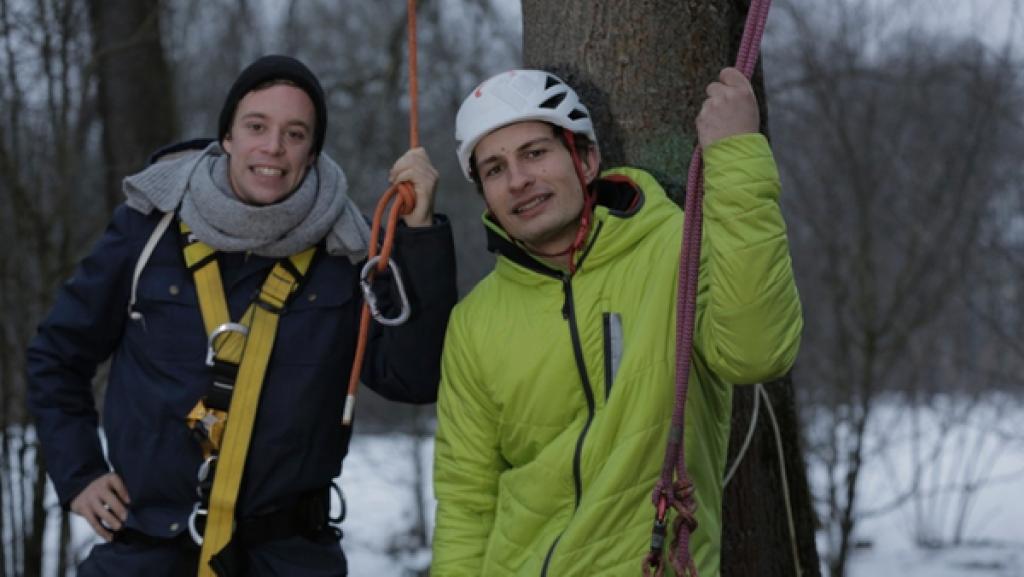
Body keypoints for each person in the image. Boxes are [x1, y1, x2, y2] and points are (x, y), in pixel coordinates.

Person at [26, 54, 456, 576]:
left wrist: (420, 233)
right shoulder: (149, 228)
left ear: (313, 150)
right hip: (146, 549)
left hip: (289, 554)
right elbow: (56, 357)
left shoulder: (348, 253)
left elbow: (412, 378)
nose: (273, 147)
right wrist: (79, 474)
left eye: (295, 133)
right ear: (227, 136)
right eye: (257, 127)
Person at [429, 68, 803, 576]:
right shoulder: (475, 321)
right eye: (494, 169)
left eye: (535, 153)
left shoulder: (677, 251)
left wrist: (738, 156)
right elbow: (465, 503)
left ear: (585, 159)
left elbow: (758, 352)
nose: (517, 180)